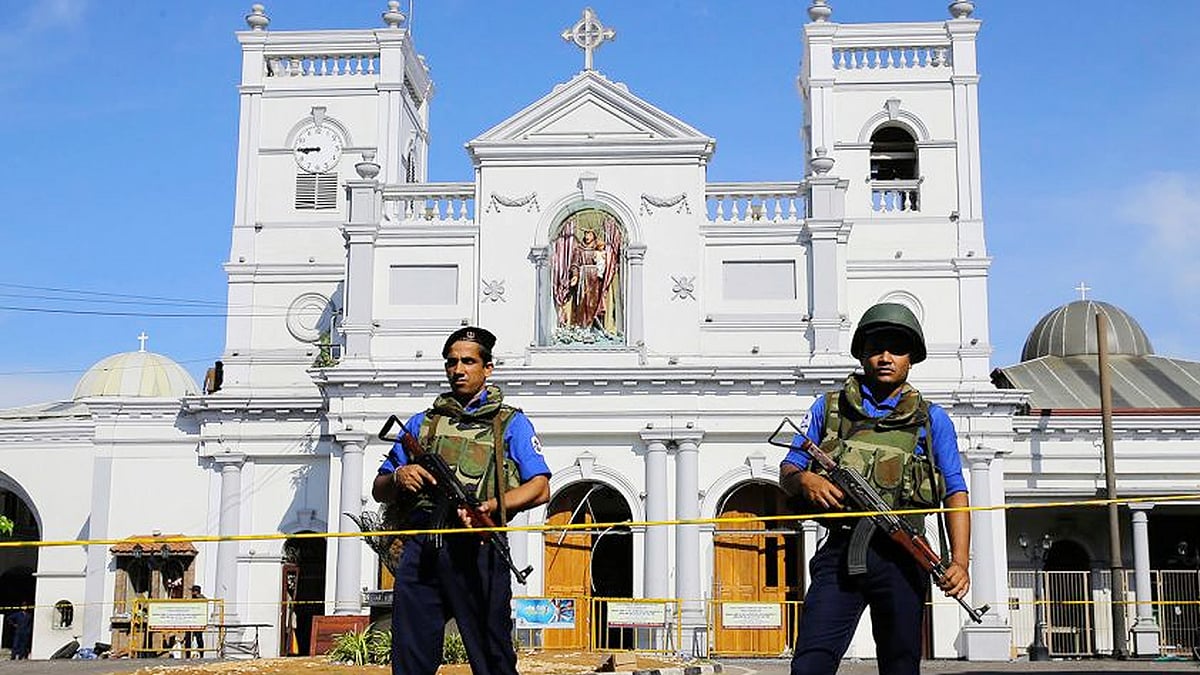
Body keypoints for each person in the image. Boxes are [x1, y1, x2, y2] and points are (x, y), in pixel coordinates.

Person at [779, 303, 971, 675]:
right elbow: (789, 469)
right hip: (841, 554)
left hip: (903, 556)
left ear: (911, 359)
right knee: (809, 666)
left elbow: (955, 492)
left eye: (896, 349)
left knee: (900, 668)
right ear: (863, 354)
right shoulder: (829, 408)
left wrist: (960, 562)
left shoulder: (932, 420)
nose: (885, 357)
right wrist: (806, 480)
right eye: (876, 348)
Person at [372, 326, 551, 675]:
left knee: (492, 656)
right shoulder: (421, 424)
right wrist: (399, 477)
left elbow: (540, 487)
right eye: (451, 362)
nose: (458, 369)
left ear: (488, 369)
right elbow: (380, 487)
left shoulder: (509, 424)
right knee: (410, 657)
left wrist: (492, 507)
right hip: (422, 549)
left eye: (468, 361)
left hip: (479, 547)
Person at [183, 585, 206, 658]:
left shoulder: (201, 598)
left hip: (198, 621)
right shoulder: (192, 599)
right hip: (190, 621)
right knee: (188, 638)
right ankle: (188, 654)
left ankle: (201, 654)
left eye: (193, 591)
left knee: (199, 638)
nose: (191, 593)